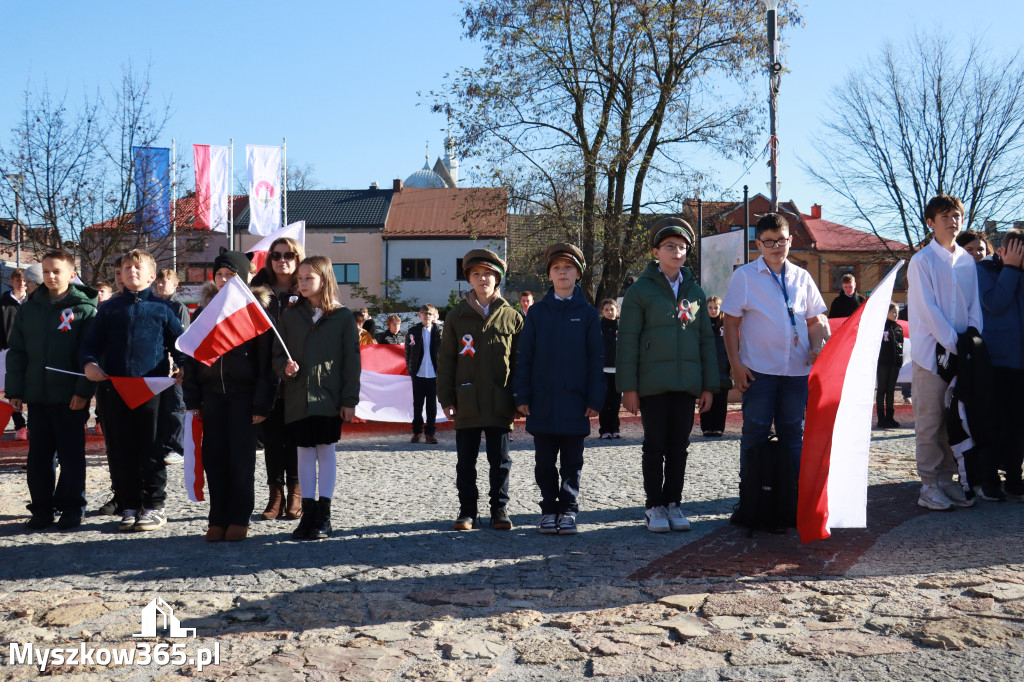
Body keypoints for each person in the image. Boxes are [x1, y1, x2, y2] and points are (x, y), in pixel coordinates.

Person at [618, 218, 718, 533]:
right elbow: (628, 341)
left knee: (679, 446)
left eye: (682, 247)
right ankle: (654, 506)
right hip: (652, 384)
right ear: (656, 252)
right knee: (655, 444)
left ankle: (674, 503)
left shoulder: (696, 292)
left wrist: (709, 386)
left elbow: (706, 341)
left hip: (686, 384)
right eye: (670, 246)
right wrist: (628, 388)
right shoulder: (639, 291)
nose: (677, 252)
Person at [722, 213, 828, 491]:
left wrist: (817, 346)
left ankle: (792, 495)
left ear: (790, 240)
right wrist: (736, 365)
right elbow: (730, 323)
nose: (776, 247)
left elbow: (815, 321)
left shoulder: (802, 277)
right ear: (758, 244)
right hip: (758, 371)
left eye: (781, 240)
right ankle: (750, 496)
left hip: (796, 371)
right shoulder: (745, 276)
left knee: (793, 434)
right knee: (755, 432)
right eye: (768, 242)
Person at [81, 249, 185, 532]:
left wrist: (184, 366)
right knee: (122, 449)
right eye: (126, 268)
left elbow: (180, 344)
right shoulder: (108, 309)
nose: (131, 272)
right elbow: (90, 344)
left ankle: (154, 506)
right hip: (115, 390)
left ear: (151, 276)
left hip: (151, 390)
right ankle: (129, 505)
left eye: (138, 268)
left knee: (151, 448)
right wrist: (89, 363)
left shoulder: (163, 308)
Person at [183, 250, 277, 542]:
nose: (224, 280)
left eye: (231, 275)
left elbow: (266, 364)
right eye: (220, 275)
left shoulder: (255, 313)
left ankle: (239, 517)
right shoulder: (202, 312)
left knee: (240, 459)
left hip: (243, 397)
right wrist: (192, 398)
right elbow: (191, 358)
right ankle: (217, 518)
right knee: (214, 458)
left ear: (244, 279)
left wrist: (262, 402)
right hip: (211, 396)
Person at [515, 243, 603, 535]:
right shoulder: (537, 313)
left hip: (576, 402)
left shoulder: (588, 314)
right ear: (549, 275)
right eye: (556, 268)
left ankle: (568, 510)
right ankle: (548, 510)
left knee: (572, 462)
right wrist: (522, 394)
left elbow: (596, 359)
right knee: (543, 462)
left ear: (578, 274)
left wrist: (595, 398)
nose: (562, 272)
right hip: (542, 401)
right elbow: (524, 357)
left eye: (568, 268)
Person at [5, 251, 97, 530]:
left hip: (70, 398)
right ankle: (42, 509)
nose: (50, 276)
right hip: (38, 397)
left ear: (72, 275)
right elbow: (17, 352)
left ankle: (72, 508)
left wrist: (83, 391)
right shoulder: (29, 310)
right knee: (39, 458)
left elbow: (92, 354)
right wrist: (15, 391)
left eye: (56, 271)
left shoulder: (84, 310)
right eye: (46, 271)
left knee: (71, 457)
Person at [274, 255, 361, 540]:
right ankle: (307, 515)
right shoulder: (290, 316)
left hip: (329, 398)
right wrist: (285, 369)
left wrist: (349, 400)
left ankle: (324, 515)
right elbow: (277, 355)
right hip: (298, 397)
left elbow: (352, 363)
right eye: (299, 278)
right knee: (303, 453)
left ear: (324, 279)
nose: (302, 283)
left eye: (308, 278)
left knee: (325, 451)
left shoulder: (343, 317)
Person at [437, 248, 523, 531]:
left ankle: (499, 510)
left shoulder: (512, 317)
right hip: (466, 400)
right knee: (465, 462)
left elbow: (520, 362)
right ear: (469, 279)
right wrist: (446, 398)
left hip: (501, 400)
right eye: (476, 274)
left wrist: (520, 399)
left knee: (500, 461)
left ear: (497, 278)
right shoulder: (456, 316)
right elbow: (446, 360)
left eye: (488, 273)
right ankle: (467, 511)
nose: (482, 278)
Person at [906, 194, 982, 511]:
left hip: (960, 355)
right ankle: (928, 485)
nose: (952, 221)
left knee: (953, 420)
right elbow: (928, 311)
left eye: (956, 216)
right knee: (929, 421)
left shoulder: (966, 260)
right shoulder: (921, 261)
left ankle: (947, 480)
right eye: (945, 216)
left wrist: (973, 339)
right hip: (930, 357)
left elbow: (974, 305)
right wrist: (955, 344)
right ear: (930, 222)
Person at [249, 236, 305, 520]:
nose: (282, 260)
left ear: (298, 259)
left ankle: (296, 492)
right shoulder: (255, 293)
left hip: (298, 378)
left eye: (288, 255)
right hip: (266, 377)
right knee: (271, 441)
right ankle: (275, 495)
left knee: (295, 440)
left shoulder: (307, 291)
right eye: (276, 255)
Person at [976, 228, 1024, 500]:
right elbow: (995, 303)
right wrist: (1012, 269)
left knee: (1018, 425)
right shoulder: (984, 270)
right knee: (994, 423)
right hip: (995, 360)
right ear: (1005, 251)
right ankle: (989, 480)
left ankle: (1015, 480)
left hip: (1020, 361)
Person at [153, 269, 191, 465]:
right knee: (163, 408)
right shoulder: (155, 304)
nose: (161, 285)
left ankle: (178, 448)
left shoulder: (179, 307)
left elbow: (181, 339)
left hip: (175, 365)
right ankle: (164, 444)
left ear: (175, 285)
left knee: (176, 407)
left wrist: (178, 363)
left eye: (165, 281)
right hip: (160, 365)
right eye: (159, 281)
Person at [0, 268, 29, 440]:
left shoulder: (33, 302)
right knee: (12, 390)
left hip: (31, 352)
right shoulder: (3, 303)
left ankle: (33, 424)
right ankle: (20, 426)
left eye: (25, 281)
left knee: (32, 387)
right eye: (18, 280)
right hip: (9, 352)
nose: (22, 284)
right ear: (11, 281)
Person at [406, 304, 440, 444]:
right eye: (425, 313)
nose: (427, 316)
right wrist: (411, 370)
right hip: (418, 374)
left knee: (432, 406)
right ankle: (417, 432)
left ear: (434, 316)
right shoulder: (413, 331)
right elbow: (407, 352)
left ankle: (430, 433)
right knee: (418, 405)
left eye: (430, 314)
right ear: (419, 315)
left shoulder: (440, 331)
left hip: (434, 374)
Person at [700, 295, 732, 438]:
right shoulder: (702, 325)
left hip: (722, 368)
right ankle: (707, 427)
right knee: (706, 398)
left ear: (720, 309)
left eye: (716, 308)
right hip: (707, 368)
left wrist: (732, 365)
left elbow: (732, 346)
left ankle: (718, 427)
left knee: (721, 401)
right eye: (710, 308)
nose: (713, 310)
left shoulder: (726, 326)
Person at [876, 302, 904, 429]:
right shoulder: (880, 326)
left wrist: (899, 361)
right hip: (883, 363)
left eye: (897, 312)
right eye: (893, 312)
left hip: (894, 364)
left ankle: (890, 417)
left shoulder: (898, 328)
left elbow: (900, 346)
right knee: (882, 390)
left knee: (891, 391)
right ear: (886, 313)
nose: (896, 315)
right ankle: (881, 418)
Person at [598, 298, 622, 439]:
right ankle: (605, 430)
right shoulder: (598, 328)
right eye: (606, 310)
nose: (609, 312)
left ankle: (615, 428)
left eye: (612, 309)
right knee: (605, 401)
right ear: (602, 312)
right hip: (603, 371)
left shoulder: (622, 327)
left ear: (617, 310)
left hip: (617, 371)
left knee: (615, 402)